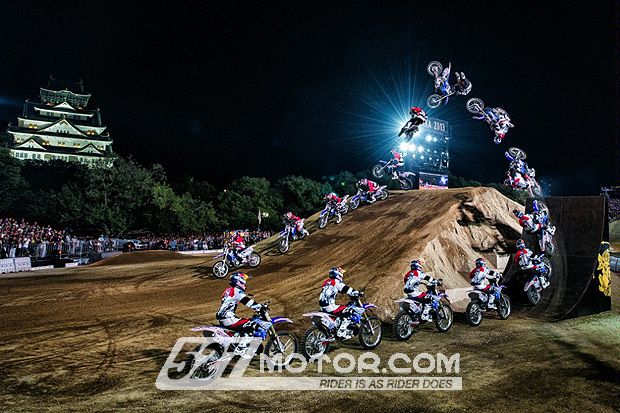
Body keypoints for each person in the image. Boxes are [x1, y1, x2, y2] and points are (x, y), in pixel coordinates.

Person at [216, 272, 267, 336]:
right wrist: (260, 307)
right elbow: (248, 302)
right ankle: (244, 342)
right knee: (253, 325)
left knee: (244, 325)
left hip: (224, 318)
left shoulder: (228, 290)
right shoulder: (236, 291)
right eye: (243, 283)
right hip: (229, 319)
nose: (244, 285)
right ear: (238, 282)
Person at [319, 267, 361, 339]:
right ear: (337, 274)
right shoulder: (336, 282)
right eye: (341, 273)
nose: (342, 274)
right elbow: (347, 289)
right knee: (349, 310)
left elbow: (333, 290)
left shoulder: (327, 282)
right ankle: (341, 331)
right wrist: (357, 292)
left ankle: (335, 327)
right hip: (330, 306)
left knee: (340, 311)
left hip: (322, 305)